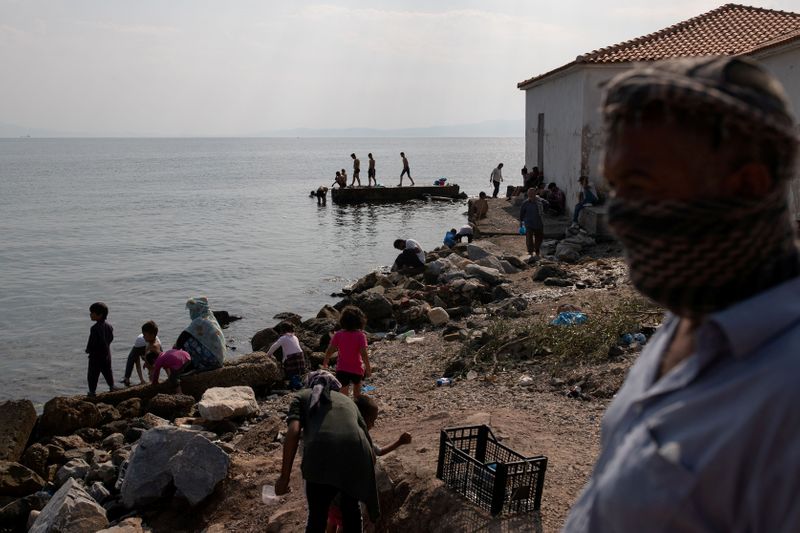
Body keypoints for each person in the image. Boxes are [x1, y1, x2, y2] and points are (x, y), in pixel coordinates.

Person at [563, 56, 800, 532]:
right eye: (616, 187)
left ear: (747, 186)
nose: (621, 216)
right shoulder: (690, 311)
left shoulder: (788, 401)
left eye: (641, 186)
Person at [275, 370, 379, 531]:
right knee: (351, 512)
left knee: (317, 516)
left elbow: (294, 432)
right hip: (355, 457)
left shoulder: (302, 396)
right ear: (335, 387)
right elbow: (366, 440)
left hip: (320, 458)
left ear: (310, 385)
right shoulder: (348, 401)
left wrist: (284, 478)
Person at [327, 395, 411, 533]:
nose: (373, 424)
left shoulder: (343, 432)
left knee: (331, 521)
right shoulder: (358, 439)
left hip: (330, 496)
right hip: (346, 498)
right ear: (362, 419)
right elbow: (373, 457)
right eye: (372, 420)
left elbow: (379, 451)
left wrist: (399, 442)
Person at [322, 306, 371, 399]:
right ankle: (356, 406)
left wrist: (325, 361)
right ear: (360, 321)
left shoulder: (338, 334)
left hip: (342, 369)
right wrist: (368, 368)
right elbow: (364, 354)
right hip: (356, 368)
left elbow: (330, 349)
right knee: (357, 389)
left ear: (343, 320)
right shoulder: (360, 335)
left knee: (343, 393)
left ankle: (345, 407)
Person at [173, 296, 226, 372]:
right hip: (219, 359)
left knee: (187, 342)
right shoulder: (210, 317)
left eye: (191, 310)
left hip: (212, 361)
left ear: (197, 309)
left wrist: (173, 352)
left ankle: (191, 366)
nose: (190, 313)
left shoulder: (199, 321)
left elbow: (181, 339)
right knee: (193, 336)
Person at [85, 302, 116, 396]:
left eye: (92, 312)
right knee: (107, 371)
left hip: (96, 356)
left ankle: (92, 392)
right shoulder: (109, 326)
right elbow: (110, 338)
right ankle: (111, 386)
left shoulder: (94, 328)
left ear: (99, 315)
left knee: (92, 374)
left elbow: (92, 341)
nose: (90, 314)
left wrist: (88, 349)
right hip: (106, 354)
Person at [266, 322, 307, 390]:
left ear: (283, 330)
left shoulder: (283, 338)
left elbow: (274, 346)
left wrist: (268, 354)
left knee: (291, 372)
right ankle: (295, 383)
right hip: (300, 355)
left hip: (292, 357)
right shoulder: (295, 337)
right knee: (297, 372)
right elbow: (290, 349)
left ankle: (297, 385)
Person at [122, 321, 162, 387]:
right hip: (150, 344)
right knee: (155, 364)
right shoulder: (155, 340)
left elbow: (135, 361)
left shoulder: (144, 342)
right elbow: (161, 358)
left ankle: (127, 379)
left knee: (132, 359)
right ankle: (151, 379)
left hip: (143, 345)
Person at [519, 187, 545, 257]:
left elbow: (547, 205)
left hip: (538, 223)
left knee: (539, 238)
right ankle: (530, 252)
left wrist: (542, 202)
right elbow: (522, 213)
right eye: (529, 193)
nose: (530, 195)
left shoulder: (540, 201)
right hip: (529, 223)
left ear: (535, 193)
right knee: (529, 238)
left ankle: (537, 250)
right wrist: (521, 222)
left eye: (532, 193)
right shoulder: (525, 203)